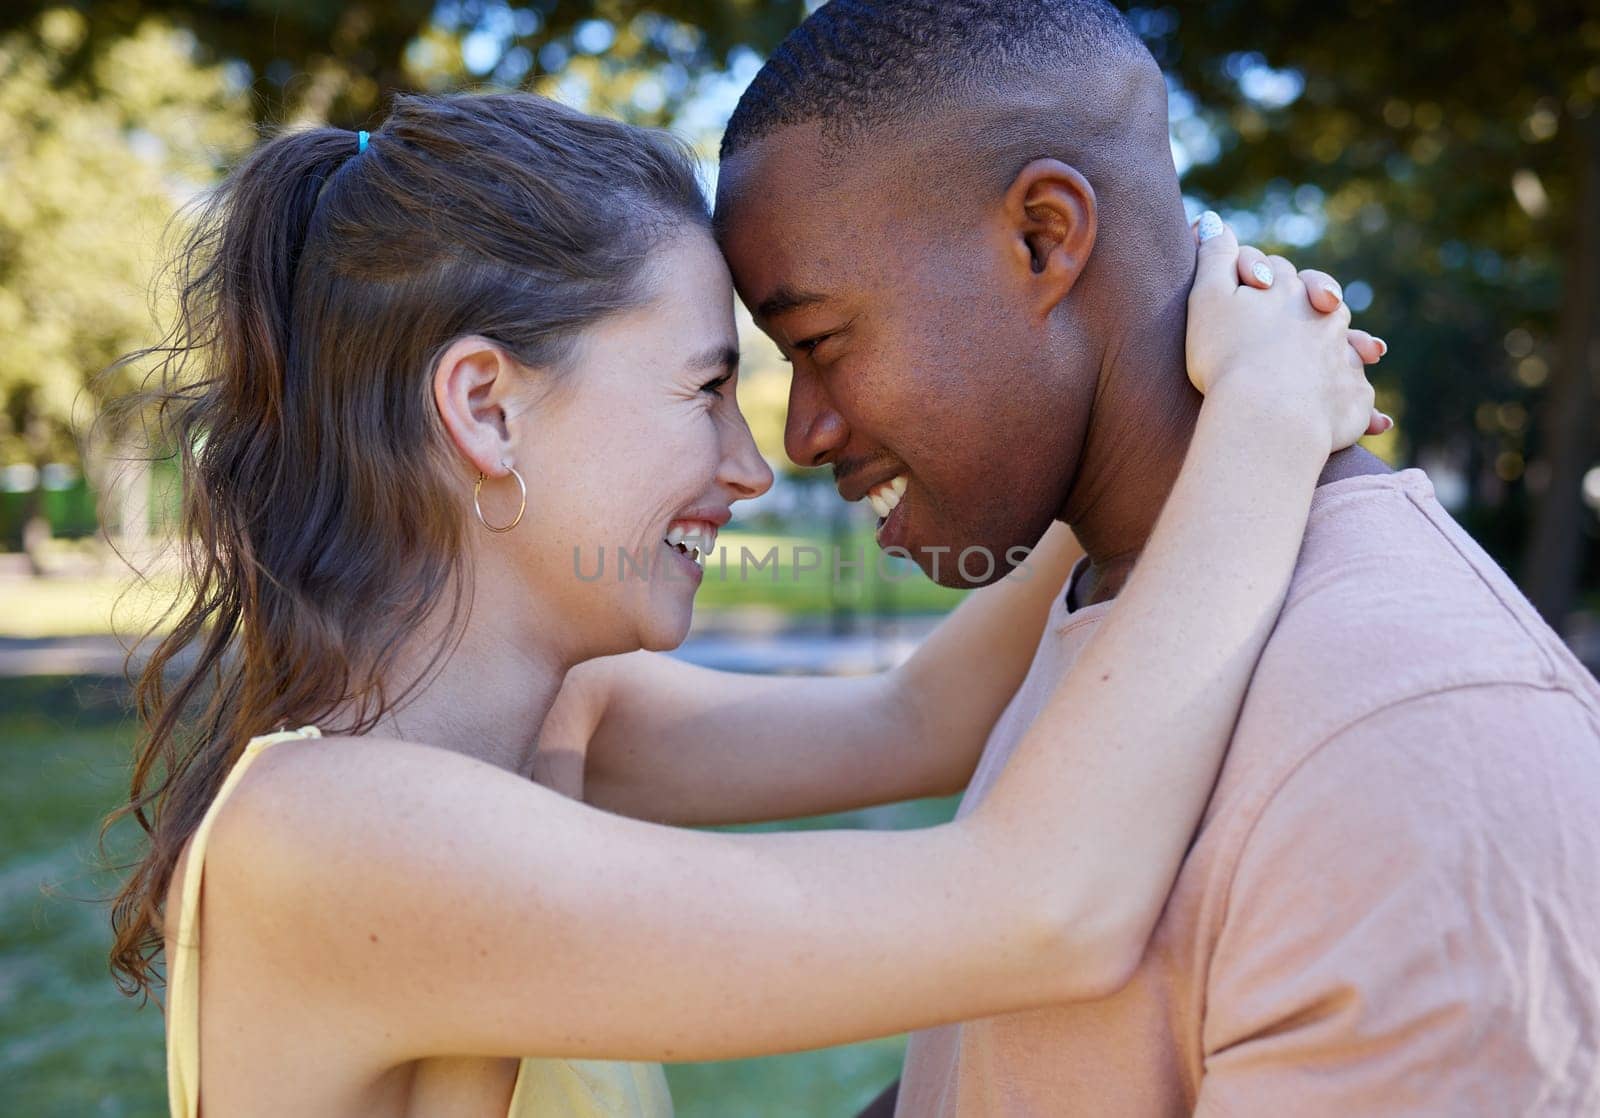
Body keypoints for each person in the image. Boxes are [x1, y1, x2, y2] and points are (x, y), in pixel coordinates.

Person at [105, 91, 1379, 1116]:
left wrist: (1136, 386)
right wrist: (1262, 428)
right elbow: (1046, 907)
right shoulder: (329, 838)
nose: (752, 464)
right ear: (486, 408)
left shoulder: (566, 718)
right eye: (703, 388)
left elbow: (914, 719)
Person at [696, 1, 1600, 1115]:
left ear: (1042, 236)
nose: (799, 434)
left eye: (821, 344)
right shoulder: (1113, 592)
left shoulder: (1423, 733)